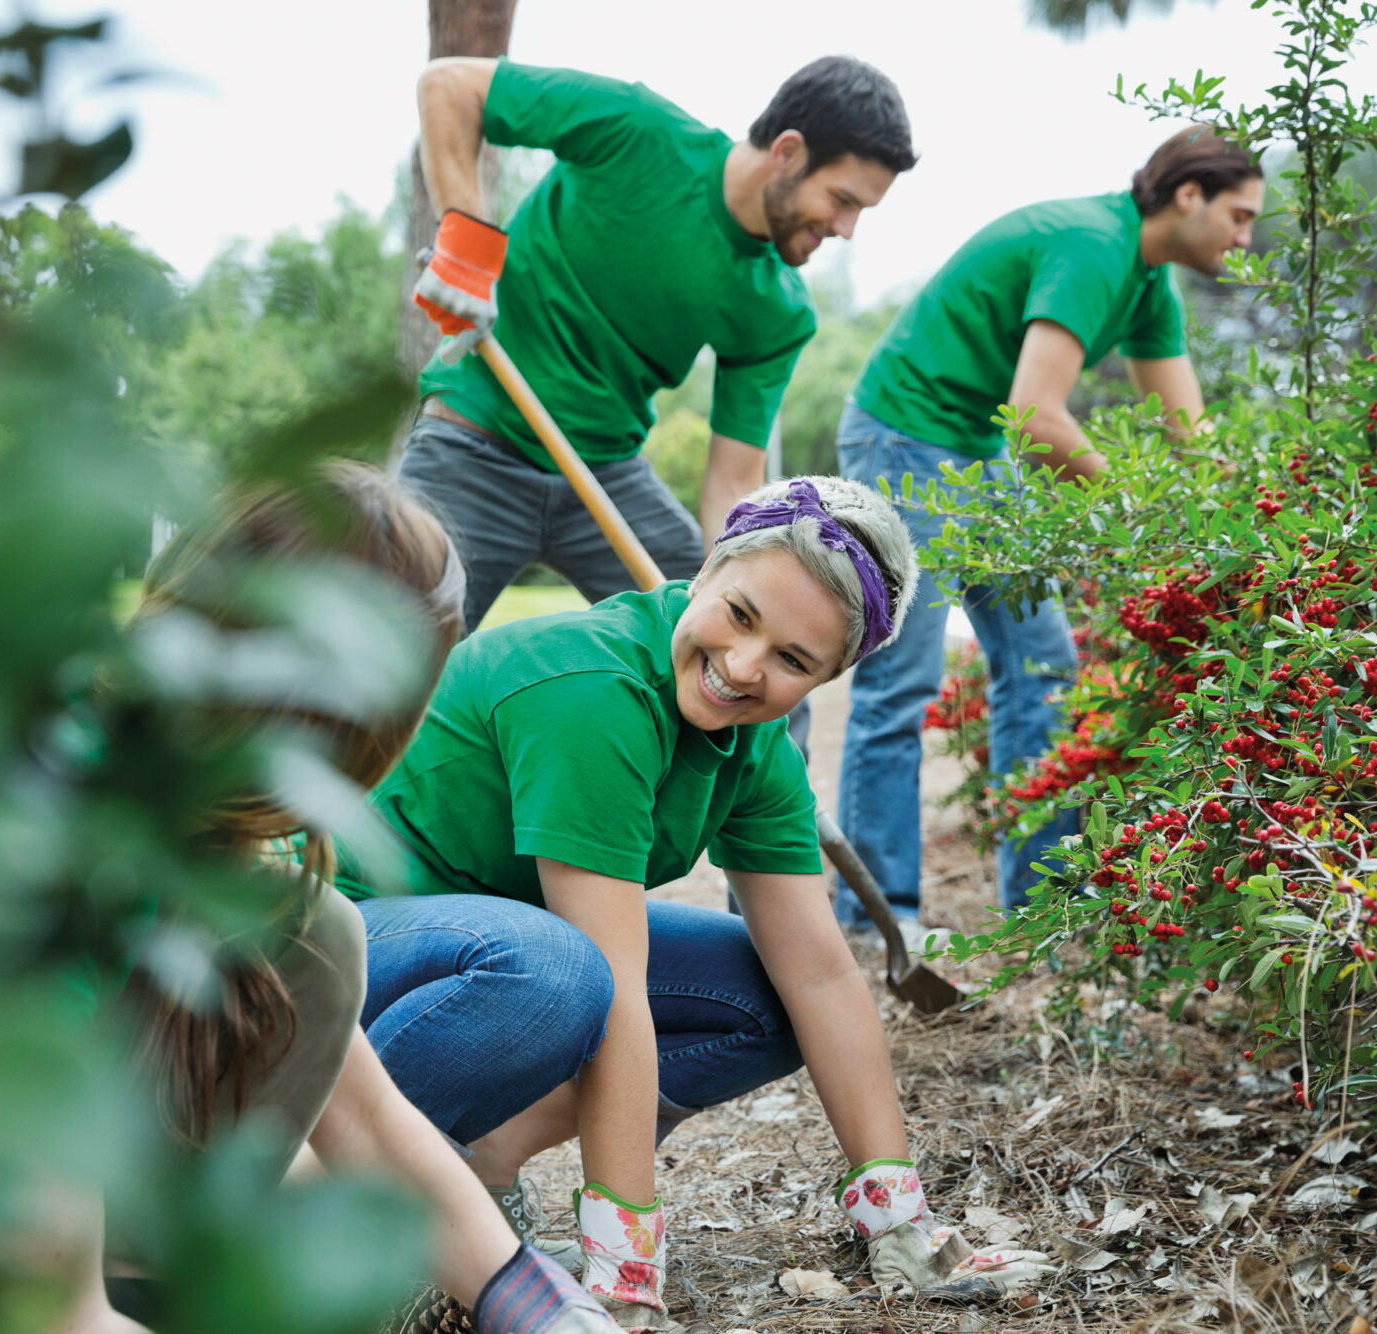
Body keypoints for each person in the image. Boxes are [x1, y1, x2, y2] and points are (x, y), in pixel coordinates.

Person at [0, 464, 619, 1334]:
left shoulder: (166, 803)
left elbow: (369, 1121)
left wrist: (549, 1312)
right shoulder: (37, 853)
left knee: (313, 937)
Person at [335, 477, 1049, 1330]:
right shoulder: (589, 693)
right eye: (740, 615)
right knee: (560, 973)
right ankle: (351, 1196)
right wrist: (624, 1271)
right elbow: (615, 991)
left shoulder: (757, 753)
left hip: (491, 946)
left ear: (830, 675)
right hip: (337, 950)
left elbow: (820, 975)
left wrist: (899, 1218)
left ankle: (482, 1166)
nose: (745, 668)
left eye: (794, 661)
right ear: (708, 570)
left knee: (767, 1001)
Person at [833, 125, 1263, 938]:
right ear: (1188, 196)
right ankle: (875, 919)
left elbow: (1189, 440)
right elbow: (1037, 416)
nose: (1245, 238)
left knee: (1043, 662)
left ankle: (1042, 908)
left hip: (974, 446)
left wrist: (1238, 525)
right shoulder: (1094, 245)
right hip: (903, 434)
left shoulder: (1146, 283)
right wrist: (1139, 509)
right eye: (1239, 216)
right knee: (904, 677)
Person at [403, 54, 916, 633]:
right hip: (472, 444)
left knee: (751, 642)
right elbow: (449, 85)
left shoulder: (778, 307)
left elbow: (733, 479)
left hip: (605, 474)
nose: (846, 229)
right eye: (843, 200)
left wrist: (739, 597)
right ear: (789, 152)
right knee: (381, 657)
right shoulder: (636, 130)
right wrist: (467, 251)